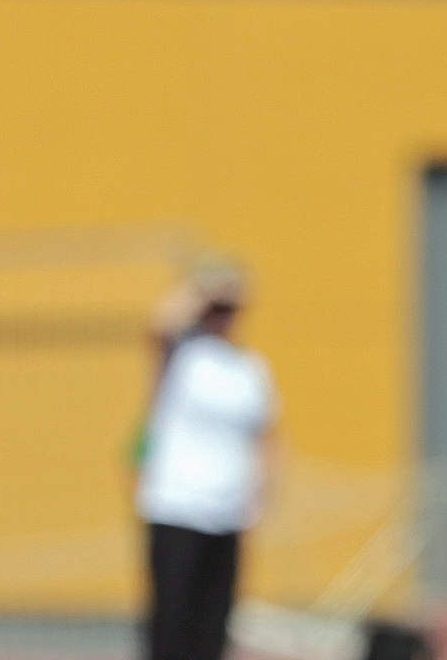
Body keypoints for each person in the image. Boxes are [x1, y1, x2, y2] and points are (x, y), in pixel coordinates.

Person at [135, 258, 275, 660]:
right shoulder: (181, 354)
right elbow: (159, 323)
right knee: (172, 619)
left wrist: (264, 492)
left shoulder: (248, 368)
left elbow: (267, 435)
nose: (223, 317)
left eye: (230, 309)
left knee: (213, 624)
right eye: (217, 309)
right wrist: (206, 289)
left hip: (228, 511)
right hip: (177, 505)